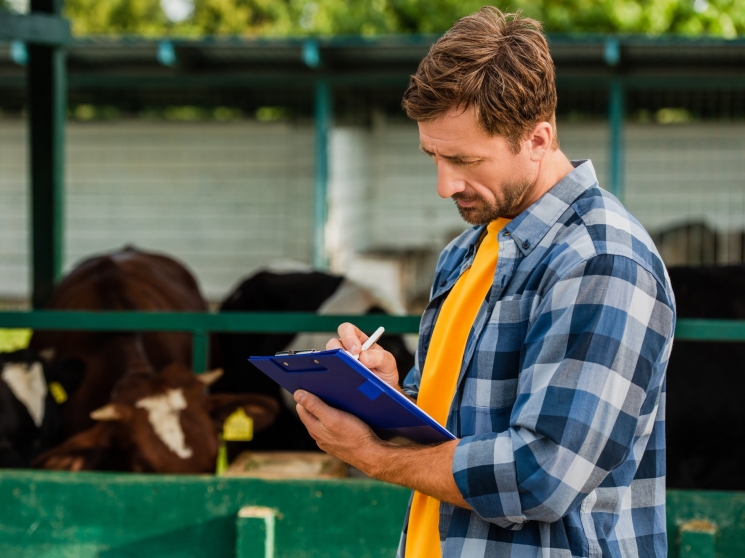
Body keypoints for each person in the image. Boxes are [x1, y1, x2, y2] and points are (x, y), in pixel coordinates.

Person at [293, 7, 675, 558]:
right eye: (434, 156)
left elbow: (540, 475)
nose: (445, 185)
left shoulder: (602, 261)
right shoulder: (467, 252)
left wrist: (372, 456)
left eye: (465, 159)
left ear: (539, 139)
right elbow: (449, 436)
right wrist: (382, 395)